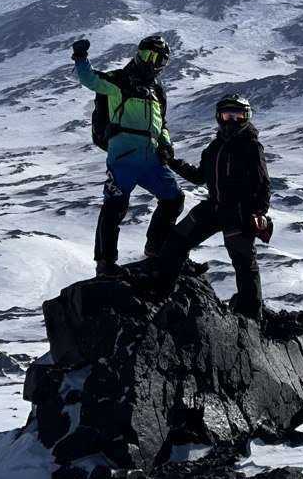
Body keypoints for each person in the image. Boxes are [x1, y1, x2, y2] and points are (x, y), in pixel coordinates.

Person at [71, 34, 184, 276]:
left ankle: (156, 248)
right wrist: (81, 58)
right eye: (146, 55)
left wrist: (166, 145)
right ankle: (105, 263)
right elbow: (90, 80)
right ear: (137, 54)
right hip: (124, 154)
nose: (150, 62)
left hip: (151, 157)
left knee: (173, 198)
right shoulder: (118, 80)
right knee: (115, 206)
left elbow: (161, 123)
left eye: (157, 58)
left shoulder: (157, 92)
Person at [155, 94, 272, 319]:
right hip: (214, 207)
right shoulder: (214, 147)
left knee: (243, 261)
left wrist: (259, 212)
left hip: (239, 213)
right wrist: (173, 162)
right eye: (227, 115)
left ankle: (251, 314)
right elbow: (200, 176)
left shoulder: (251, 146)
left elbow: (263, 183)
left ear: (247, 117)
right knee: (178, 239)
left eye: (238, 116)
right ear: (219, 117)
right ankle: (162, 288)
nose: (232, 121)